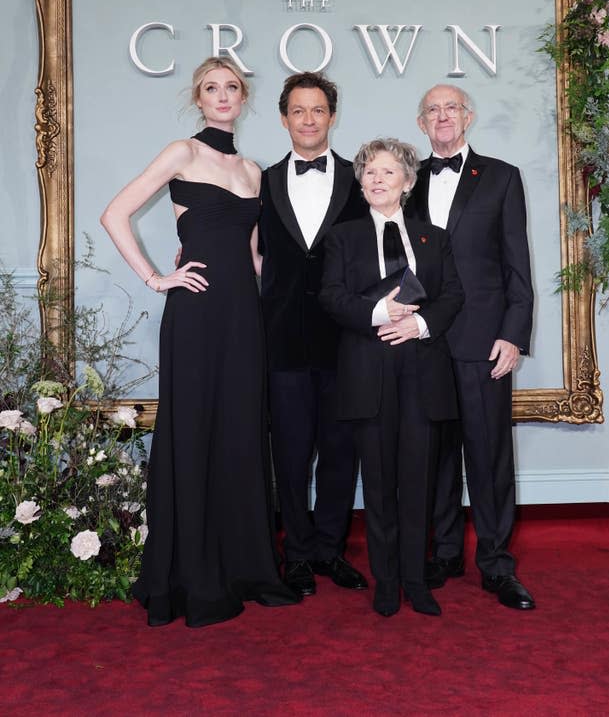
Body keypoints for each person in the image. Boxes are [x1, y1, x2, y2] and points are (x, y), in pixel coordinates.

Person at [100, 56, 300, 627]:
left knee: (240, 431)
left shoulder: (255, 170)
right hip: (195, 315)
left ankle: (248, 568)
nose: (222, 96)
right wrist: (156, 278)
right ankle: (191, 574)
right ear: (198, 97)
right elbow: (115, 213)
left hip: (243, 317)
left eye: (231, 88)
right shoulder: (181, 152)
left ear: (243, 98)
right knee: (193, 429)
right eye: (211, 88)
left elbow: (257, 258)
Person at [319, 139, 464, 617]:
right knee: (378, 483)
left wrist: (418, 324)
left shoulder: (434, 237)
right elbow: (332, 298)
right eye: (368, 173)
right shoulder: (342, 237)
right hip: (368, 371)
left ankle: (416, 581)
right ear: (360, 185)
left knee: (418, 481)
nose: (376, 180)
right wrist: (379, 311)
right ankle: (386, 583)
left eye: (386, 172)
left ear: (407, 181)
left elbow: (451, 296)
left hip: (422, 371)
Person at [407, 83, 536, 611]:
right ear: (421, 123)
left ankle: (497, 564)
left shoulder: (501, 177)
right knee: (434, 455)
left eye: (451, 108)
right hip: (421, 340)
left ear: (468, 117)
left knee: (488, 455)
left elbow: (516, 265)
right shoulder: (404, 177)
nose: (442, 117)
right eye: (432, 110)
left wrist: (514, 333)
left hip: (485, 340)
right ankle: (442, 554)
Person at [259, 71, 368, 597]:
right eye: (298, 111)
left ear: (331, 116)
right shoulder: (259, 181)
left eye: (318, 110)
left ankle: (330, 549)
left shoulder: (362, 178)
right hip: (281, 340)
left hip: (345, 343)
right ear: (284, 118)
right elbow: (245, 250)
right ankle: (296, 554)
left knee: (340, 450)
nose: (308, 119)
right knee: (292, 454)